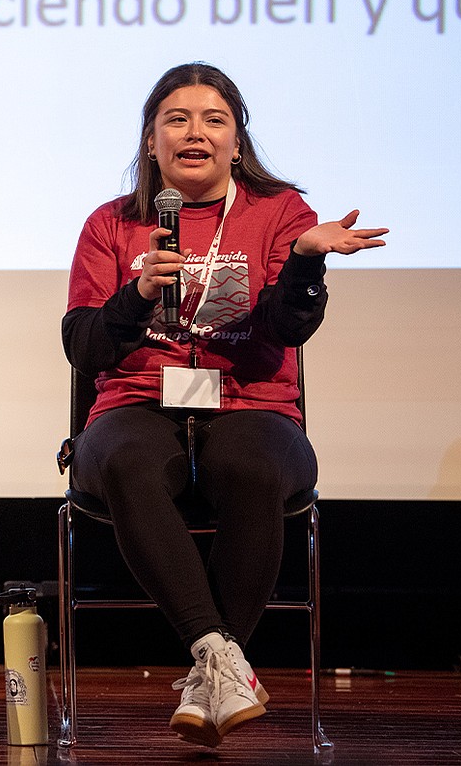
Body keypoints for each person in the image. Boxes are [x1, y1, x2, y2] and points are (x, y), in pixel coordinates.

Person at [62, 62, 387, 749]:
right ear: (151, 140)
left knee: (248, 466)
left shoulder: (279, 213)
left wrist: (303, 262)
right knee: (126, 459)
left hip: (252, 404)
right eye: (176, 119)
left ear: (237, 142)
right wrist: (139, 293)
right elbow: (86, 348)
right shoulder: (113, 223)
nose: (196, 133)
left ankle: (213, 669)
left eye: (215, 120)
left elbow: (287, 328)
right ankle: (222, 658)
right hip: (137, 402)